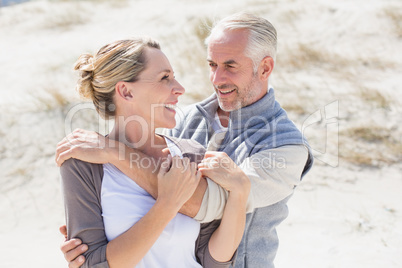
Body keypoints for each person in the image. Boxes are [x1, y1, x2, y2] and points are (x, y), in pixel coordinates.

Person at [57, 12, 313, 268]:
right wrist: (94, 255)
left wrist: (116, 154)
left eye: (230, 66)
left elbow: (207, 206)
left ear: (265, 67)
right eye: (213, 65)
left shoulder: (287, 147)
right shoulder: (183, 121)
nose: (216, 78)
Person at [59, 37, 251, 268]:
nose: (179, 88)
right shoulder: (83, 164)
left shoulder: (190, 153)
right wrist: (168, 203)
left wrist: (240, 194)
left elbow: (211, 259)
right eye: (164, 78)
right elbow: (92, 264)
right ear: (126, 91)